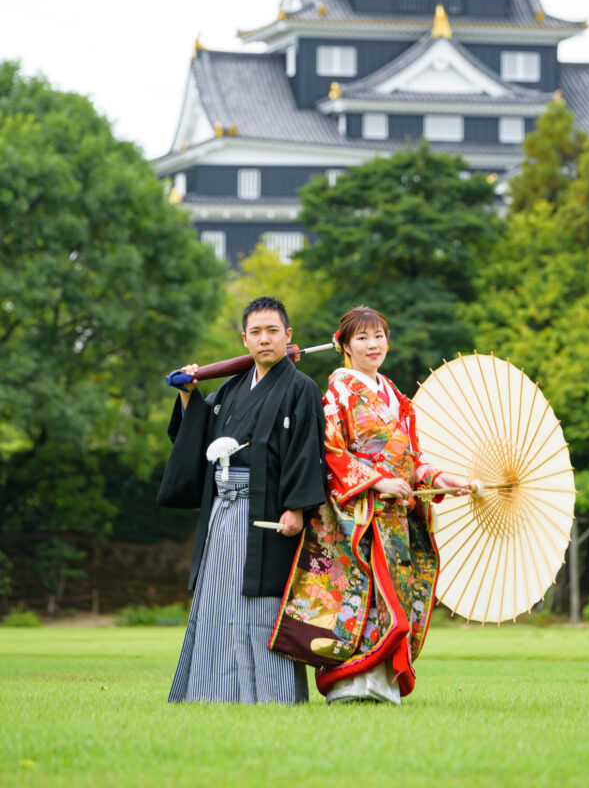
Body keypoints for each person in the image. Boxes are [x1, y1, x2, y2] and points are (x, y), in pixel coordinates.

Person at [269, 306, 468, 704]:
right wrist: (376, 481)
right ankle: (349, 683)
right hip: (356, 515)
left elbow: (411, 459)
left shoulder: (395, 396)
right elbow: (331, 452)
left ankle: (380, 682)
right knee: (362, 595)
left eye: (379, 336)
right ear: (344, 345)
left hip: (396, 515)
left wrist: (438, 478)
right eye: (362, 337)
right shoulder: (337, 393)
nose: (373, 344)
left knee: (396, 594)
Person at [157, 296, 326, 705]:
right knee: (216, 597)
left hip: (268, 512)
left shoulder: (301, 389)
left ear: (288, 337)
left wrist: (297, 508)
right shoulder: (231, 388)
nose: (264, 339)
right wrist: (188, 395)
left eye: (273, 331)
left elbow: (307, 449)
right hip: (224, 510)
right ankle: (210, 692)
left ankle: (273, 695)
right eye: (256, 332)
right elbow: (198, 435)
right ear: (245, 339)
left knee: (261, 601)